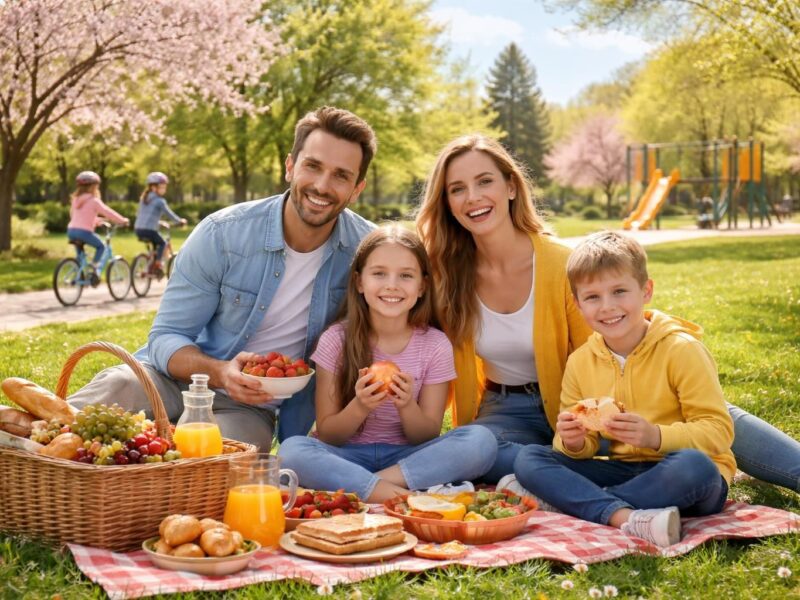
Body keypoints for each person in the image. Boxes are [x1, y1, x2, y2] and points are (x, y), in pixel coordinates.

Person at [415, 133, 800, 495]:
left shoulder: (562, 266)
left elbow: (609, 346)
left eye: (485, 182)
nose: (473, 197)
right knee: (482, 453)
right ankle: (622, 485)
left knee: (708, 413)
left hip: (591, 394)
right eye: (457, 189)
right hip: (506, 408)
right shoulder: (446, 276)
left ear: (511, 187)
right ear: (446, 202)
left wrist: (635, 420)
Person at [68, 106, 377, 449]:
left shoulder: (368, 253)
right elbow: (166, 337)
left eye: (340, 175)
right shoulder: (223, 234)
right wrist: (221, 372)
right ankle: (25, 456)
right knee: (115, 388)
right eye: (313, 166)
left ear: (357, 188)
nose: (322, 185)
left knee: (218, 454)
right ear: (290, 167)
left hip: (247, 408)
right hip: (170, 380)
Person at [513, 231, 733, 547]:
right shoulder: (580, 362)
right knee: (530, 458)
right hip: (625, 470)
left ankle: (577, 503)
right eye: (592, 297)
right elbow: (582, 443)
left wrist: (655, 436)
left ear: (646, 290)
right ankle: (625, 517)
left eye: (619, 291)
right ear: (577, 304)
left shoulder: (682, 350)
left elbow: (718, 432)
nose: (607, 307)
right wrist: (573, 441)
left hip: (686, 475)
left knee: (693, 465)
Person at [278, 225, 496, 502]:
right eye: (379, 273)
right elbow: (330, 434)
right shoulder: (335, 340)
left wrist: (406, 405)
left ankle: (371, 487)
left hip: (406, 459)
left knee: (480, 441)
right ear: (359, 282)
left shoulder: (435, 344)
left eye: (406, 275)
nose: (392, 285)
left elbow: (425, 434)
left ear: (422, 287)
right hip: (346, 456)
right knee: (292, 451)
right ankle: (406, 497)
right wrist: (360, 406)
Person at [66, 171, 130, 280]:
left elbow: (79, 216)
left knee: (81, 257)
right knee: (102, 246)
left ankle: (80, 273)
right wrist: (122, 220)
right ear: (93, 186)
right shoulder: (94, 201)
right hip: (84, 232)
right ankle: (94, 267)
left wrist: (95, 221)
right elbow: (108, 212)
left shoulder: (76, 200)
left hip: (71, 230)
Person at [134, 171, 187, 276]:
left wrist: (158, 222)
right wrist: (180, 221)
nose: (164, 189)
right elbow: (169, 214)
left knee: (155, 244)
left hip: (138, 229)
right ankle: (158, 264)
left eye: (164, 187)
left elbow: (145, 215)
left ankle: (151, 263)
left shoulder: (144, 198)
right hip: (150, 230)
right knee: (163, 243)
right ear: (153, 187)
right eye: (162, 187)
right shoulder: (160, 201)